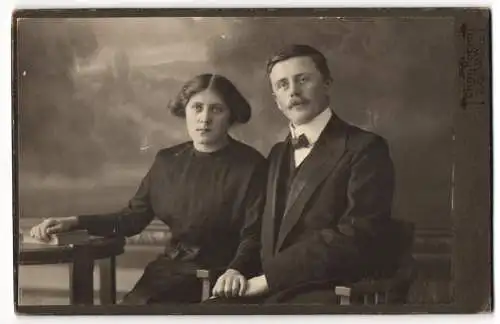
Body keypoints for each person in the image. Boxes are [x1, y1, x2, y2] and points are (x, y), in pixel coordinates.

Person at [29, 73, 266, 304]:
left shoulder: (251, 165)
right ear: (185, 110)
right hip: (170, 272)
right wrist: (74, 222)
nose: (205, 118)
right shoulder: (167, 161)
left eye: (216, 109)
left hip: (226, 278)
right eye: (197, 108)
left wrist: (236, 270)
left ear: (230, 116)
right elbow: (131, 219)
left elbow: (254, 234)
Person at [209, 44, 408, 304]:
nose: (293, 91)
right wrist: (236, 269)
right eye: (282, 85)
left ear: (326, 83)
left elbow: (358, 235)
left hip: (328, 291)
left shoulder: (365, 149)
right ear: (276, 101)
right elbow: (256, 227)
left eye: (303, 79)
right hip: (264, 289)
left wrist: (266, 280)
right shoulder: (277, 154)